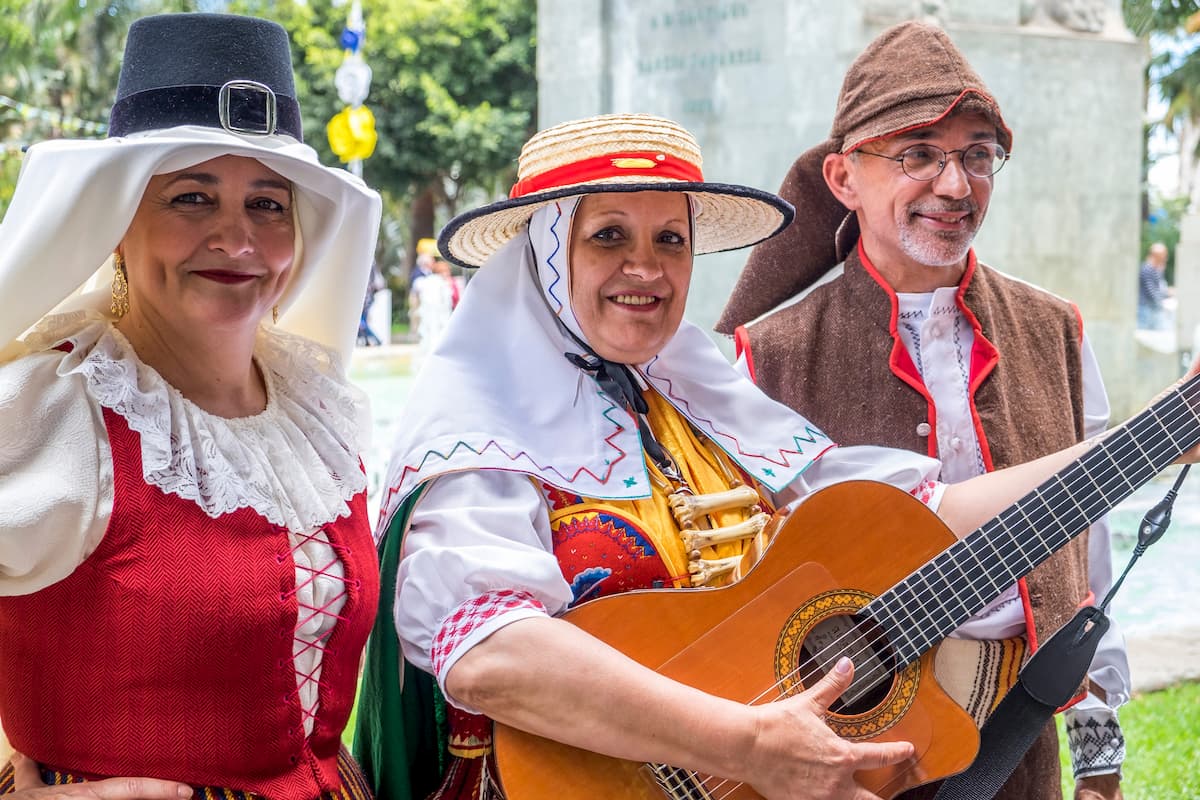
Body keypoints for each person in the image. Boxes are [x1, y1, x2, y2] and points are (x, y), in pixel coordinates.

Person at [354, 112, 1200, 800]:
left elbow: (917, 515)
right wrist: (750, 743)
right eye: (609, 236)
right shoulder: (477, 424)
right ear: (548, 255)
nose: (645, 268)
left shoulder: (694, 393)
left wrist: (1161, 434)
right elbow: (490, 654)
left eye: (671, 240)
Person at [716, 21, 1129, 800]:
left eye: (977, 155)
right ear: (843, 177)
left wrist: (1100, 756)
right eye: (917, 154)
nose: (955, 184)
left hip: (1018, 746)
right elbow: (736, 592)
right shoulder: (763, 357)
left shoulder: (1056, 332)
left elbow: (1090, 563)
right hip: (836, 757)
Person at [0, 12, 382, 800]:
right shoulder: (53, 411)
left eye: (268, 205)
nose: (237, 238)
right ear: (115, 224)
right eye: (192, 197)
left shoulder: (315, 409)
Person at [1137, 242, 1171, 330]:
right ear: (1156, 256)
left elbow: (1160, 287)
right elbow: (1151, 291)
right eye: (1163, 255)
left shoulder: (1156, 269)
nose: (1165, 258)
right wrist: (1163, 302)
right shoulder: (1147, 269)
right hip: (1146, 309)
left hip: (1152, 308)